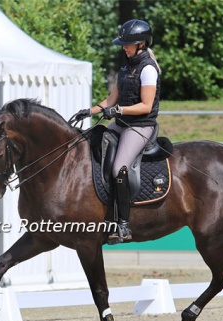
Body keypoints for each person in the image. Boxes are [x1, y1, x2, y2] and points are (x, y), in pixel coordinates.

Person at [76, 19, 161, 243]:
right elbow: (110, 100)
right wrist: (89, 111)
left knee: (118, 167)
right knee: (91, 144)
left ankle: (123, 224)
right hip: (122, 124)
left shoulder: (148, 69)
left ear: (141, 44)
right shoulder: (126, 67)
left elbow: (146, 106)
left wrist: (118, 109)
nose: (124, 46)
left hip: (141, 126)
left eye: (128, 43)